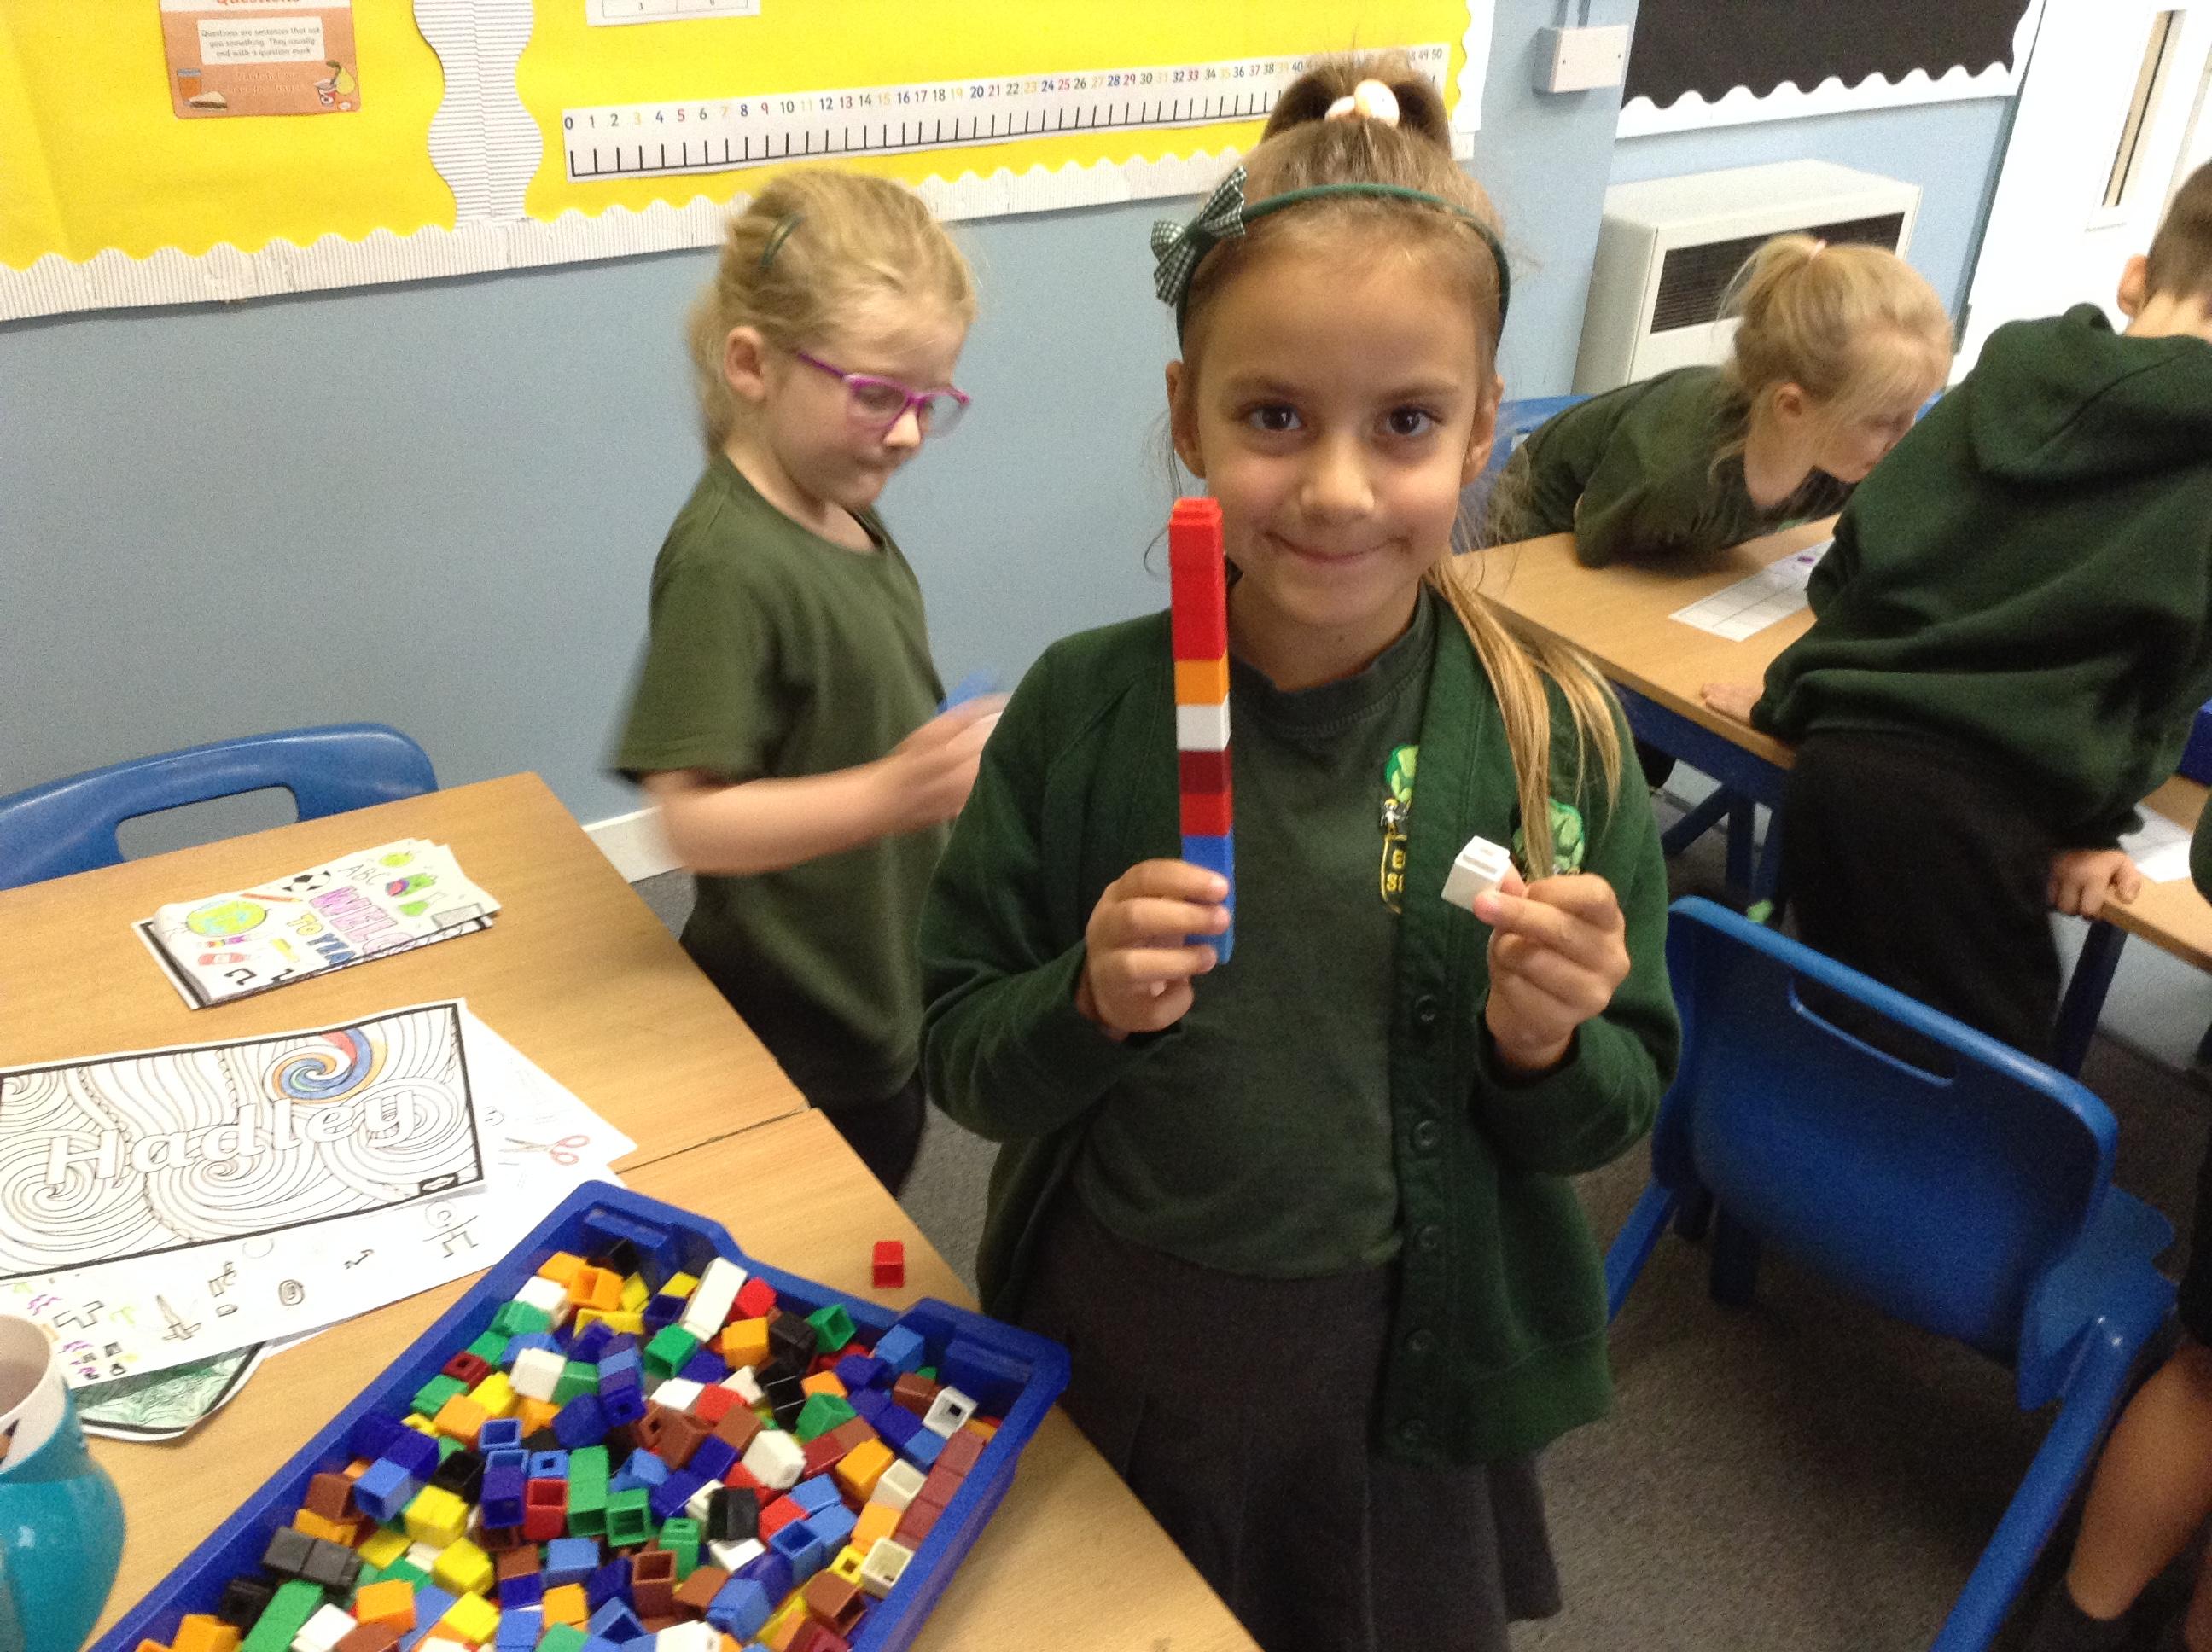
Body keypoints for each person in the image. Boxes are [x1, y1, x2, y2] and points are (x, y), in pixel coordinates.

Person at [917, 56, 1679, 1652]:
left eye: (1406, 423)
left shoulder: (1558, 739)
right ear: (1187, 415)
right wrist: (1082, 1001)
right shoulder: (1079, 711)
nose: (1336, 489)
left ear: (1483, 427)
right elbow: (966, 1061)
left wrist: (1544, 1044)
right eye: (1274, 416)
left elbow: (1616, 1110)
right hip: (1122, 1337)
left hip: (1393, 1386)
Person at [1702, 160, 2212, 1067]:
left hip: (1840, 764)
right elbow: (2170, 686)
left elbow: (1851, 560)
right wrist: (2093, 830)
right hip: (1991, 821)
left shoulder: (2006, 376)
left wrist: (1798, 692)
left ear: (2135, 276)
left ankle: (1742, 1142)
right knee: (1972, 1083)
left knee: (1824, 1010)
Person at [611, 170, 998, 1195]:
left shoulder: (839, 510)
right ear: (753, 364)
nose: (907, 431)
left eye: (929, 401)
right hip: (796, 1034)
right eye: (877, 395)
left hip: (877, 987)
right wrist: (893, 792)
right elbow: (689, 823)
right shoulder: (727, 562)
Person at [1492, 234, 1952, 568]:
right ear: (1792, 408)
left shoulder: (1844, 460)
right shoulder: (1673, 476)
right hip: (1536, 545)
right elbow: (1589, 563)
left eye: (1916, 410)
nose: (1904, 437)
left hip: (1683, 560)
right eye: (1884, 420)